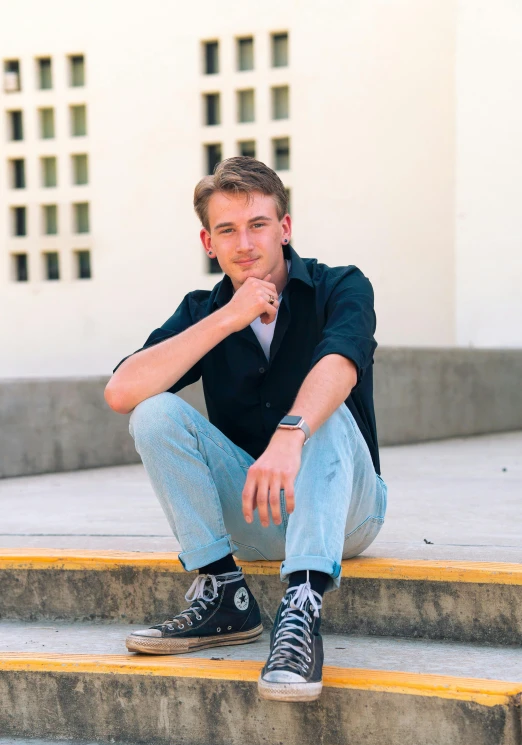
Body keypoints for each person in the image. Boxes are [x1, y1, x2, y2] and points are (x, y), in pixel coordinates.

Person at [104, 156, 387, 703]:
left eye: (258, 224)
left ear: (284, 228)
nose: (244, 242)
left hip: (347, 509)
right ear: (209, 243)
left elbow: (340, 364)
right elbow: (121, 391)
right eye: (227, 230)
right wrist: (229, 317)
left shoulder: (341, 287)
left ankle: (302, 609)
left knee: (323, 410)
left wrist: (290, 434)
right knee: (154, 411)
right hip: (259, 511)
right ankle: (224, 594)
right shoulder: (203, 310)